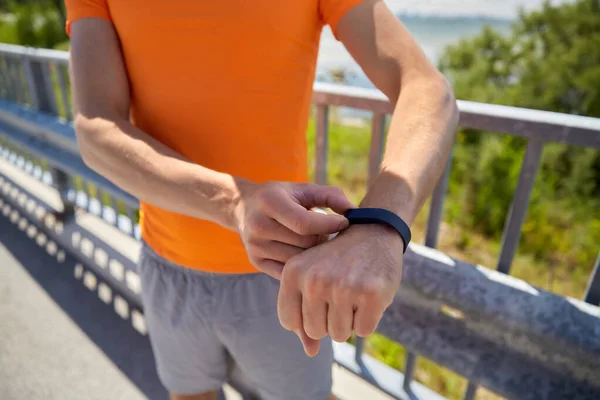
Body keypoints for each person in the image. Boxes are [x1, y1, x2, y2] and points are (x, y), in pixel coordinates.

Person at [65, 0, 458, 399]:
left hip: (283, 271)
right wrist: (233, 202)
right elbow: (95, 126)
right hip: (165, 261)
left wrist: (380, 223)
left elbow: (427, 88)